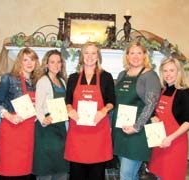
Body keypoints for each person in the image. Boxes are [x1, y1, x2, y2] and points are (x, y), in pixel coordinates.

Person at [64, 41, 116, 180]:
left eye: (93, 53)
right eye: (86, 52)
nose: (90, 56)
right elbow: (67, 101)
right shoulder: (73, 77)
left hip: (98, 133)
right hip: (77, 133)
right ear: (82, 56)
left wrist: (103, 111)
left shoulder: (106, 77)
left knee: (97, 174)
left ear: (98, 56)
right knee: (76, 174)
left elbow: (112, 102)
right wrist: (70, 110)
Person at [112, 40, 161, 180]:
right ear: (127, 56)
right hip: (121, 131)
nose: (135, 56)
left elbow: (151, 104)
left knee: (126, 175)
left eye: (139, 53)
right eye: (132, 53)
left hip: (138, 133)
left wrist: (136, 127)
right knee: (129, 175)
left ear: (145, 55)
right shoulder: (122, 74)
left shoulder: (150, 76)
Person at [0, 47, 41, 180]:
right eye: (25, 60)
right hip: (11, 134)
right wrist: (9, 116)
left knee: (25, 173)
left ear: (36, 62)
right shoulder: (9, 79)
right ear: (20, 62)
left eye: (32, 59)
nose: (29, 63)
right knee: (8, 173)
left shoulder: (37, 83)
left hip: (28, 135)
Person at [148, 57, 189, 180]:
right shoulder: (163, 90)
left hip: (175, 144)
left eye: (171, 70)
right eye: (165, 71)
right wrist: (155, 119)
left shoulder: (185, 92)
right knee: (159, 176)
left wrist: (170, 138)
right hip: (160, 143)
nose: (168, 74)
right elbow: (158, 113)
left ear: (178, 72)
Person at [33, 50, 69, 180]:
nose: (56, 65)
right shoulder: (43, 81)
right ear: (46, 64)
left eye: (58, 62)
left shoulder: (62, 81)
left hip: (60, 128)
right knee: (46, 168)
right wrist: (43, 119)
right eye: (52, 62)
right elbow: (38, 106)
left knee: (61, 166)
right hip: (46, 130)